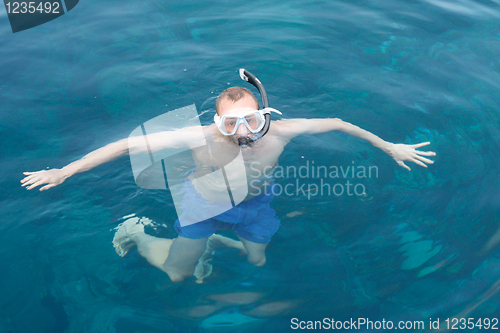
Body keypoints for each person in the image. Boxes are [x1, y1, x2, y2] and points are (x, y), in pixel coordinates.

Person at [21, 79, 436, 283]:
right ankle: (139, 232)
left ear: (264, 116)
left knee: (257, 260)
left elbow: (341, 123)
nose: (243, 130)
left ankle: (215, 242)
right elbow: (126, 146)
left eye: (251, 120)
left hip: (255, 202)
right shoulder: (199, 136)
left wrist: (389, 147)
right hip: (203, 202)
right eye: (232, 122)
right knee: (177, 275)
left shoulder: (284, 131)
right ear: (217, 121)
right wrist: (65, 170)